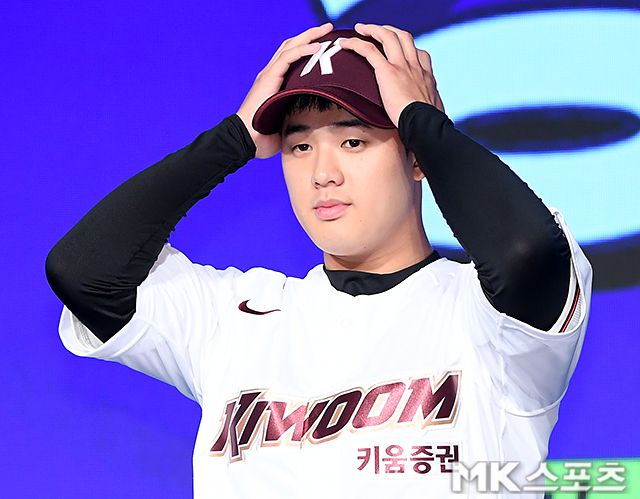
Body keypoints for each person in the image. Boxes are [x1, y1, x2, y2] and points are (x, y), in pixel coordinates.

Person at [46, 22, 592, 498]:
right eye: (300, 146)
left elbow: (525, 252)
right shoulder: (235, 317)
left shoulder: (485, 315)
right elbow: (84, 272)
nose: (322, 174)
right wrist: (234, 137)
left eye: (354, 141)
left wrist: (423, 123)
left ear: (416, 156)